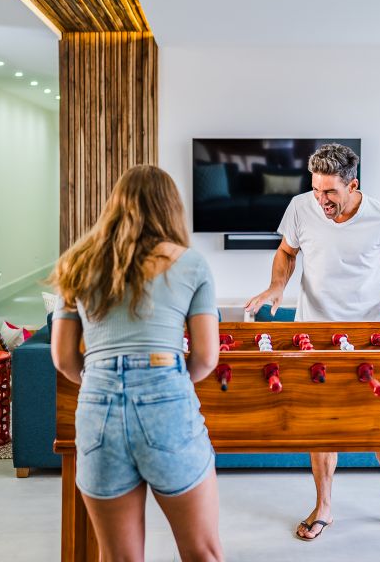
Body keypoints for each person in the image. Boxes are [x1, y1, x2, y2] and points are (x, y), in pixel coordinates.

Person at [244, 143, 380, 542]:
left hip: (367, 332)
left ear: (353, 185)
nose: (321, 200)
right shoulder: (302, 207)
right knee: (322, 423)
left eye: (330, 192)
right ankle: (324, 507)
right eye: (316, 190)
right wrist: (275, 288)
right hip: (312, 332)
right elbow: (287, 252)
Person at [50, 165, 223, 562]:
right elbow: (206, 357)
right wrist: (169, 380)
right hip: (166, 397)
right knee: (203, 553)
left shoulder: (76, 261)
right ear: (171, 208)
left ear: (115, 205)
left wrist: (102, 378)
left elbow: (61, 357)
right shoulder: (192, 264)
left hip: (97, 405)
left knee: (119, 558)